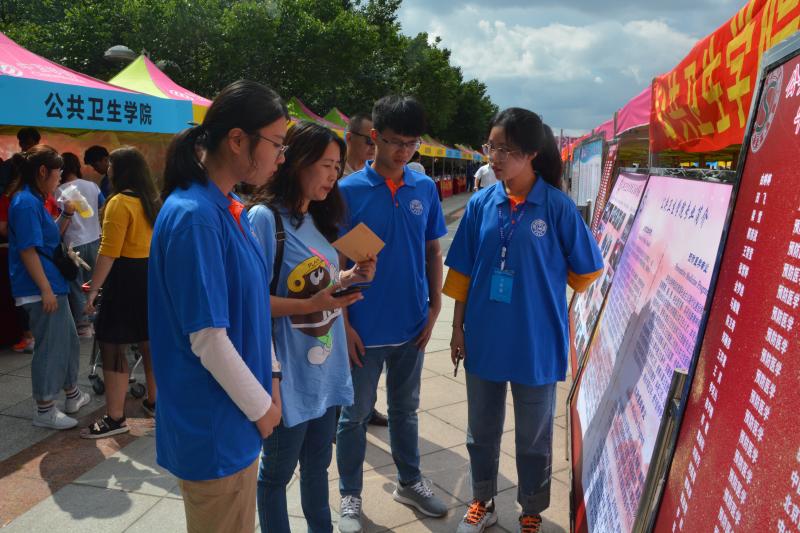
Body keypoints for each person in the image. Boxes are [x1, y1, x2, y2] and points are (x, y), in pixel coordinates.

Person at [443, 108, 603, 533]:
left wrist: (542, 288)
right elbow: (461, 274)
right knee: (481, 431)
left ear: (532, 153)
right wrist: (457, 329)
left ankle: (531, 509)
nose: (495, 158)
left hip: (535, 339)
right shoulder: (480, 204)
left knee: (534, 436)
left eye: (507, 150)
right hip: (483, 336)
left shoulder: (557, 207)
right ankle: (482, 502)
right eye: (492, 147)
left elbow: (587, 270)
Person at [148, 80, 287, 533]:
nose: (280, 157)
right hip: (214, 426)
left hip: (238, 418)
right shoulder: (195, 217)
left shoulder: (228, 207)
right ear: (238, 140)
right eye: (277, 144)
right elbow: (208, 337)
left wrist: (272, 381)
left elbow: (254, 308)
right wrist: (262, 408)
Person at [247, 121, 376, 533]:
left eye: (337, 166)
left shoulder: (318, 219)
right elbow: (248, 303)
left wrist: (351, 277)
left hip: (325, 370)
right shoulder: (265, 219)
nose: (333, 175)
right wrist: (310, 305)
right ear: (297, 162)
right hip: (287, 376)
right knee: (275, 475)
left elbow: (319, 284)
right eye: (325, 165)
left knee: (318, 467)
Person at [336, 95, 449, 533]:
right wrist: (344, 325)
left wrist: (435, 306)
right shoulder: (347, 192)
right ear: (374, 138)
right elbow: (334, 262)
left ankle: (409, 481)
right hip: (363, 329)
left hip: (411, 326)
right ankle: (350, 495)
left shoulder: (424, 188)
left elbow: (432, 250)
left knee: (406, 411)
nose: (403, 151)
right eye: (395, 141)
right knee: (354, 417)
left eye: (411, 143)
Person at [7, 145, 90, 429]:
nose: (60, 179)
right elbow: (28, 250)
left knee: (67, 341)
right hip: (41, 286)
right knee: (51, 347)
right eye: (57, 173)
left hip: (50, 284)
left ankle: (72, 393)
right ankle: (44, 408)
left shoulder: (32, 200)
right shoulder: (25, 203)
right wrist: (45, 289)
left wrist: (66, 215)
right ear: (43, 171)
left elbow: (46, 238)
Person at [82, 147, 159, 437]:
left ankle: (115, 418)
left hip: (124, 279)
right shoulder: (153, 201)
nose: (109, 169)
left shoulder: (119, 202)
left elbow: (108, 252)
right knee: (148, 342)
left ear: (121, 170)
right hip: (149, 276)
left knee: (112, 344)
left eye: (112, 165)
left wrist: (93, 290)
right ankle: (155, 403)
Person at [342, 111, 388, 428]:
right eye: (368, 141)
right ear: (350, 138)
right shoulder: (339, 182)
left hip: (370, 286)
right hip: (340, 285)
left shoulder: (375, 179)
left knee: (368, 363)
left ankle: (366, 407)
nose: (373, 148)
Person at [57, 152, 104, 338]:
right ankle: (98, 320)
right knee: (94, 284)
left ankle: (84, 326)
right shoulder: (92, 186)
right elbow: (102, 207)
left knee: (77, 286)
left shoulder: (59, 191)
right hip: (95, 239)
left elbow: (60, 219)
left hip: (73, 243)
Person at [343, 113, 376, 177]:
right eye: (370, 140)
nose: (374, 146)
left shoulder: (379, 175)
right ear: (349, 138)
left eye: (377, 141)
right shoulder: (333, 172)